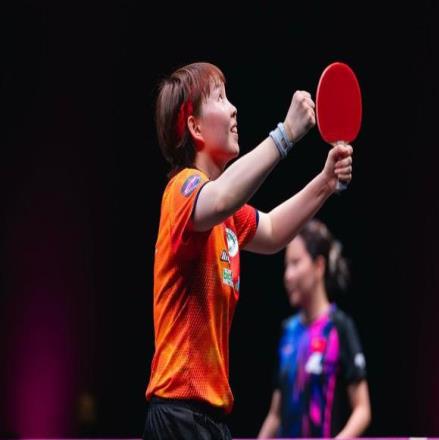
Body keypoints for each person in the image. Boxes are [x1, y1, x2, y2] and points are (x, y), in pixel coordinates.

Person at [143, 62, 354, 440]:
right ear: (194, 127)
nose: (234, 109)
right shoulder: (181, 192)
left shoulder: (226, 215)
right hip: (178, 414)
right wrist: (285, 135)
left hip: (211, 419)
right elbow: (221, 196)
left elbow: (271, 231)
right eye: (220, 98)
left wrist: (324, 182)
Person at [258, 219, 371, 439]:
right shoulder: (288, 331)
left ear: (319, 266)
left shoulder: (339, 327)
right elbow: (275, 415)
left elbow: (362, 410)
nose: (287, 275)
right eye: (286, 266)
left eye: (295, 263)